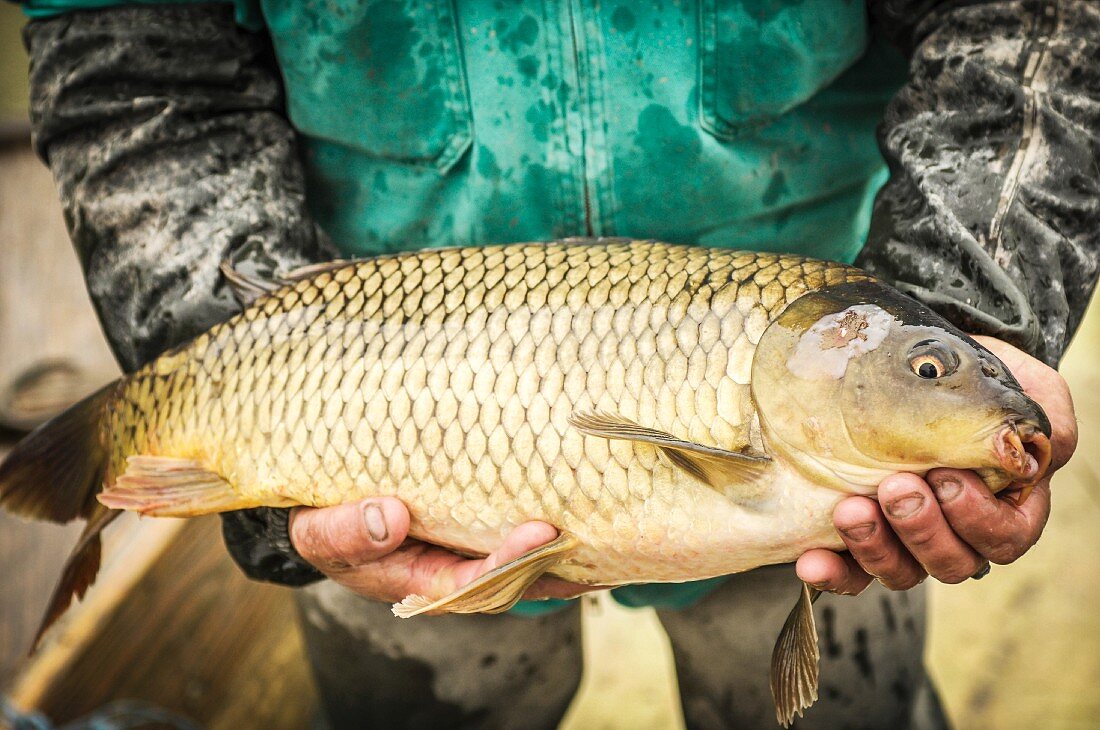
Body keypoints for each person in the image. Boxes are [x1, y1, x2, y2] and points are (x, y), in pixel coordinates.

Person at [18, 0, 1089, 726]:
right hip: (357, 379)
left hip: (841, 338)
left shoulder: (852, 394)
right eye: (931, 371)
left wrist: (961, 310)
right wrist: (261, 472)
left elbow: (1031, 22)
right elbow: (137, 69)